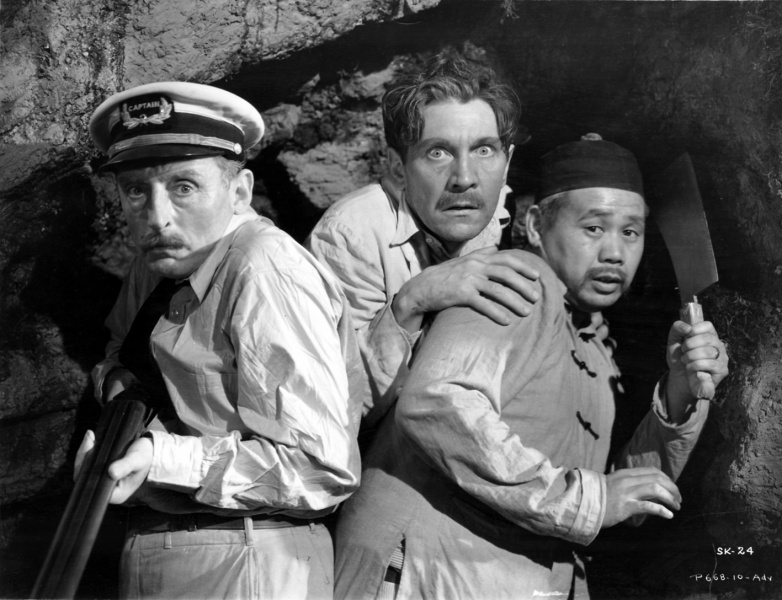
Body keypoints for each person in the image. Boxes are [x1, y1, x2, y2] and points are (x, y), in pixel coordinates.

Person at [333, 134, 729, 599]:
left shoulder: (595, 342)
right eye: (593, 228)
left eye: (630, 232)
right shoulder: (519, 281)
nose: (614, 253)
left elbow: (618, 495)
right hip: (422, 574)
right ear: (537, 225)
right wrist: (584, 501)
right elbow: (436, 402)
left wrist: (679, 391)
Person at [77, 82, 363, 600]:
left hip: (251, 555)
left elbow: (319, 468)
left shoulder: (264, 268)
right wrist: (116, 390)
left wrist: (159, 457)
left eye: (184, 186)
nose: (157, 216)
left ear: (239, 191)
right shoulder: (160, 259)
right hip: (158, 542)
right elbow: (123, 351)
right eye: (136, 190)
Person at [306, 53, 545, 434]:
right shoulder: (350, 236)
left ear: (507, 162)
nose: (464, 178)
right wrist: (411, 301)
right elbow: (335, 412)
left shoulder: (499, 205)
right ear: (398, 168)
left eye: (484, 150)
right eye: (438, 152)